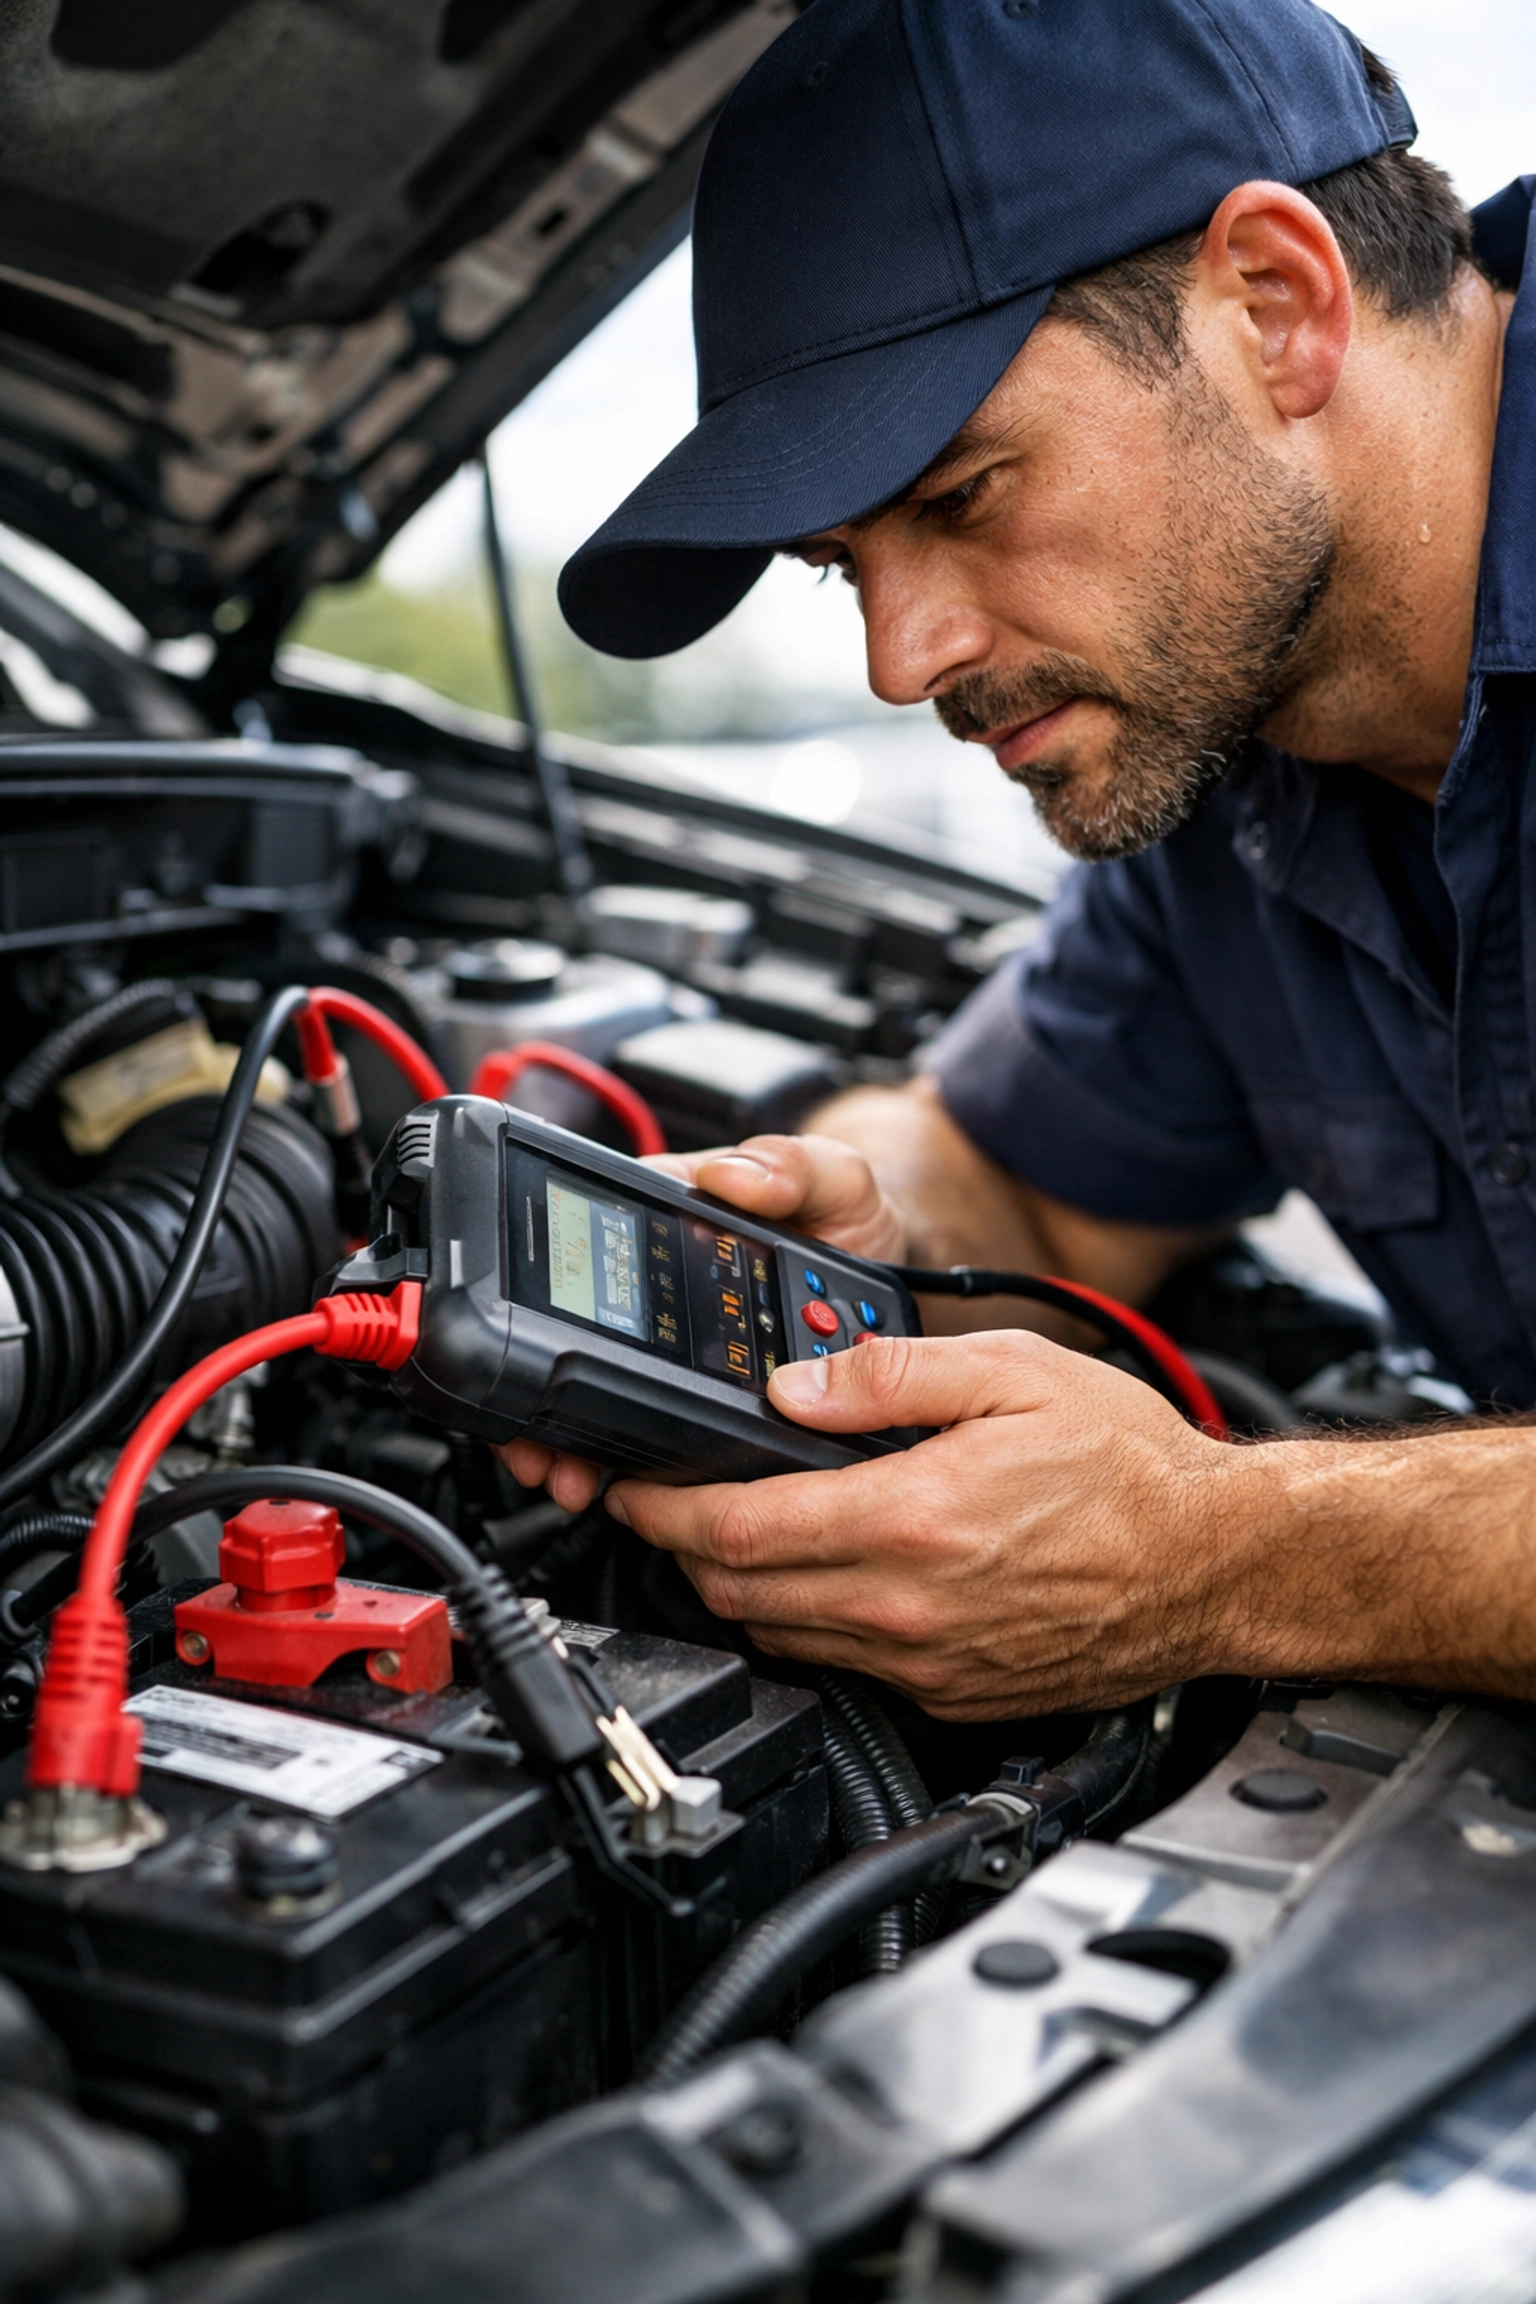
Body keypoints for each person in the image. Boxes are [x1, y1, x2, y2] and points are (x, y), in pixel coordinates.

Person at [509, 0, 1536, 1720]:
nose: (900, 661)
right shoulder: (1239, 747)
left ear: (1275, 308)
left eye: (967, 494)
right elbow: (1038, 1183)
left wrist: (1228, 1553)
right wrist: (847, 1237)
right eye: (844, 566)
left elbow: (1223, 1543)